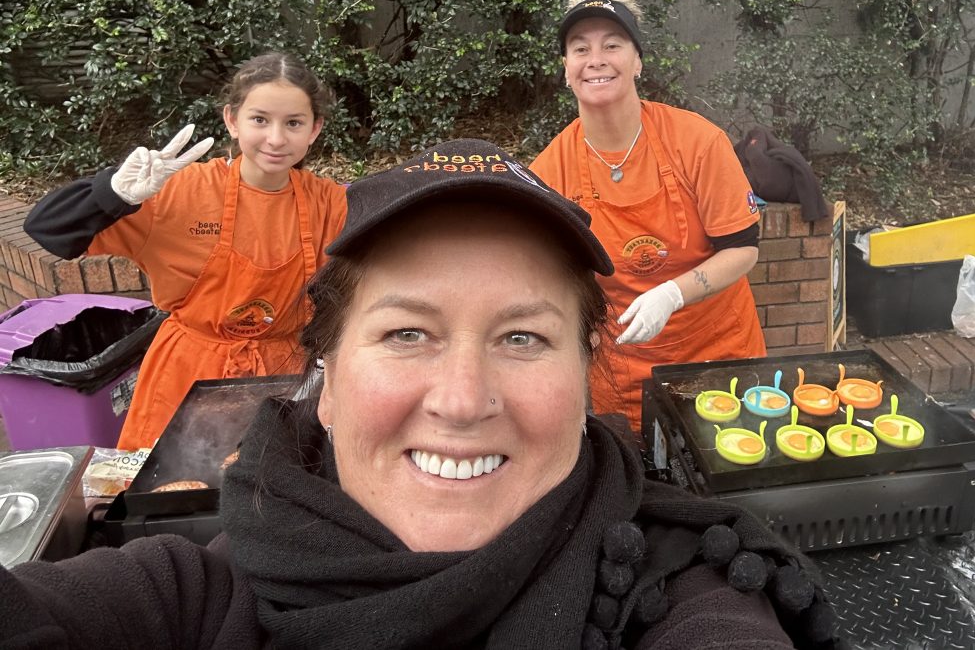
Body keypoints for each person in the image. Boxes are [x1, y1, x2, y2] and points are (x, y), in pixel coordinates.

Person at [1, 139, 846, 650]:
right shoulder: (189, 600)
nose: (462, 398)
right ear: (322, 380)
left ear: (587, 372)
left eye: (523, 337)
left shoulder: (677, 586)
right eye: (408, 333)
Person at [24, 52, 348, 450]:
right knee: (167, 497)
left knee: (271, 492)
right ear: (232, 120)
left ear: (315, 129)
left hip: (285, 376)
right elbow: (47, 231)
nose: (276, 139)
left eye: (294, 123)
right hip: (185, 374)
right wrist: (112, 193)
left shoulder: (330, 203)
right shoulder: (177, 192)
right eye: (259, 119)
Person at [532, 0, 768, 430]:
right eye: (579, 48)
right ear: (566, 69)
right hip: (624, 371)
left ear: (637, 61)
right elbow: (552, 280)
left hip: (720, 353)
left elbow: (743, 249)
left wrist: (672, 294)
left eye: (612, 45)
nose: (596, 59)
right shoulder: (550, 171)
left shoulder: (698, 141)